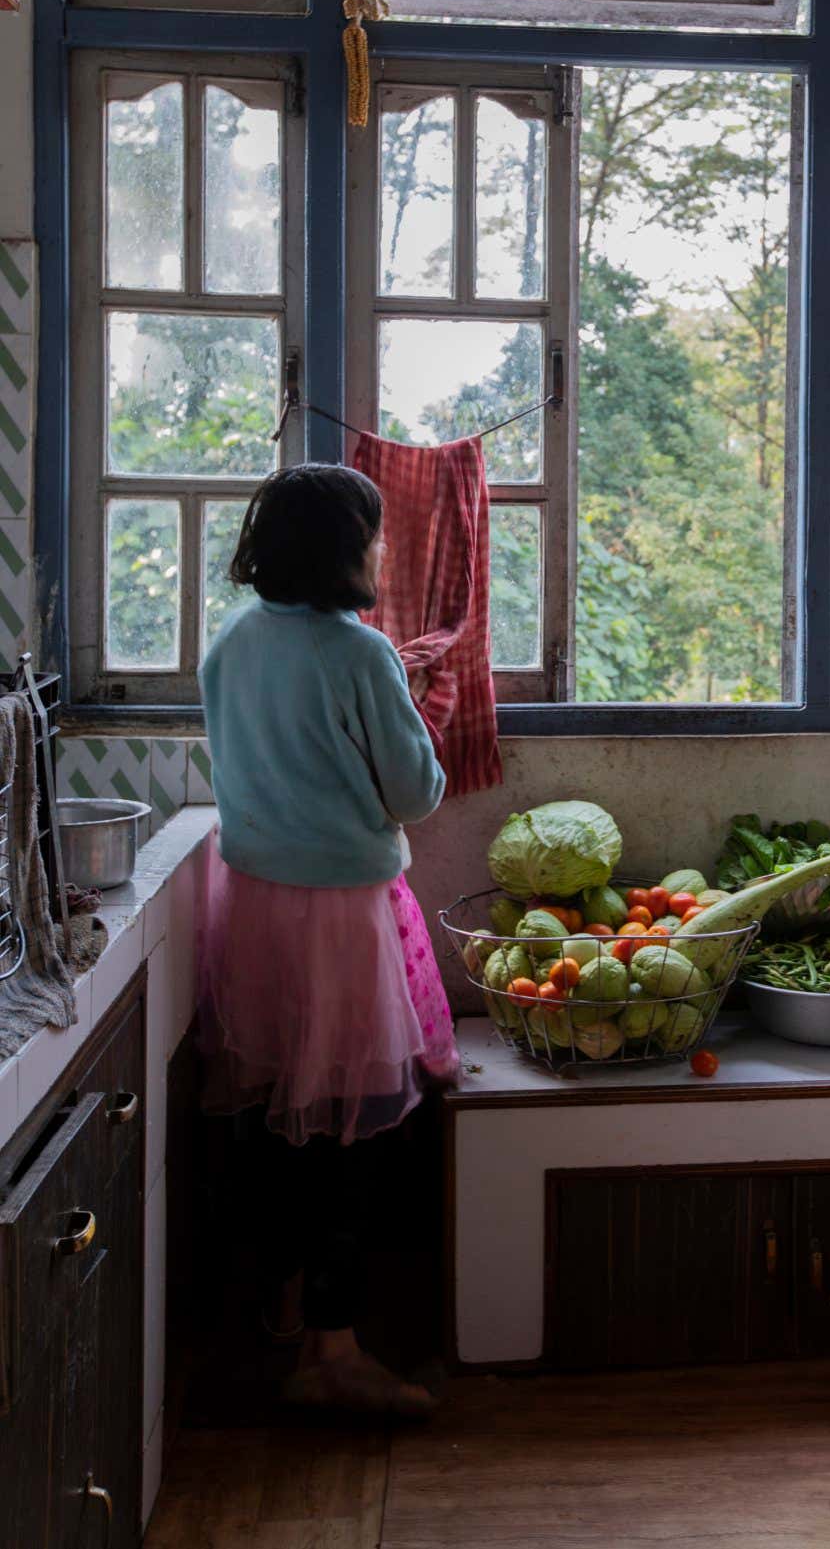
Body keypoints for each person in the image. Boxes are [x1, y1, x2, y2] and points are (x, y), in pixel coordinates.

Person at [198, 462, 456, 1417]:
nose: (382, 549)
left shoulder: (230, 642)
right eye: (374, 533)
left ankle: (283, 1309)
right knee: (351, 1132)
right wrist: (413, 697)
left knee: (277, 1118)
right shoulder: (361, 654)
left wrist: (390, 683)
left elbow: (276, 749)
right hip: (340, 919)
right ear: (346, 549)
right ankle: (334, 1354)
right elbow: (414, 793)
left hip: (255, 905)